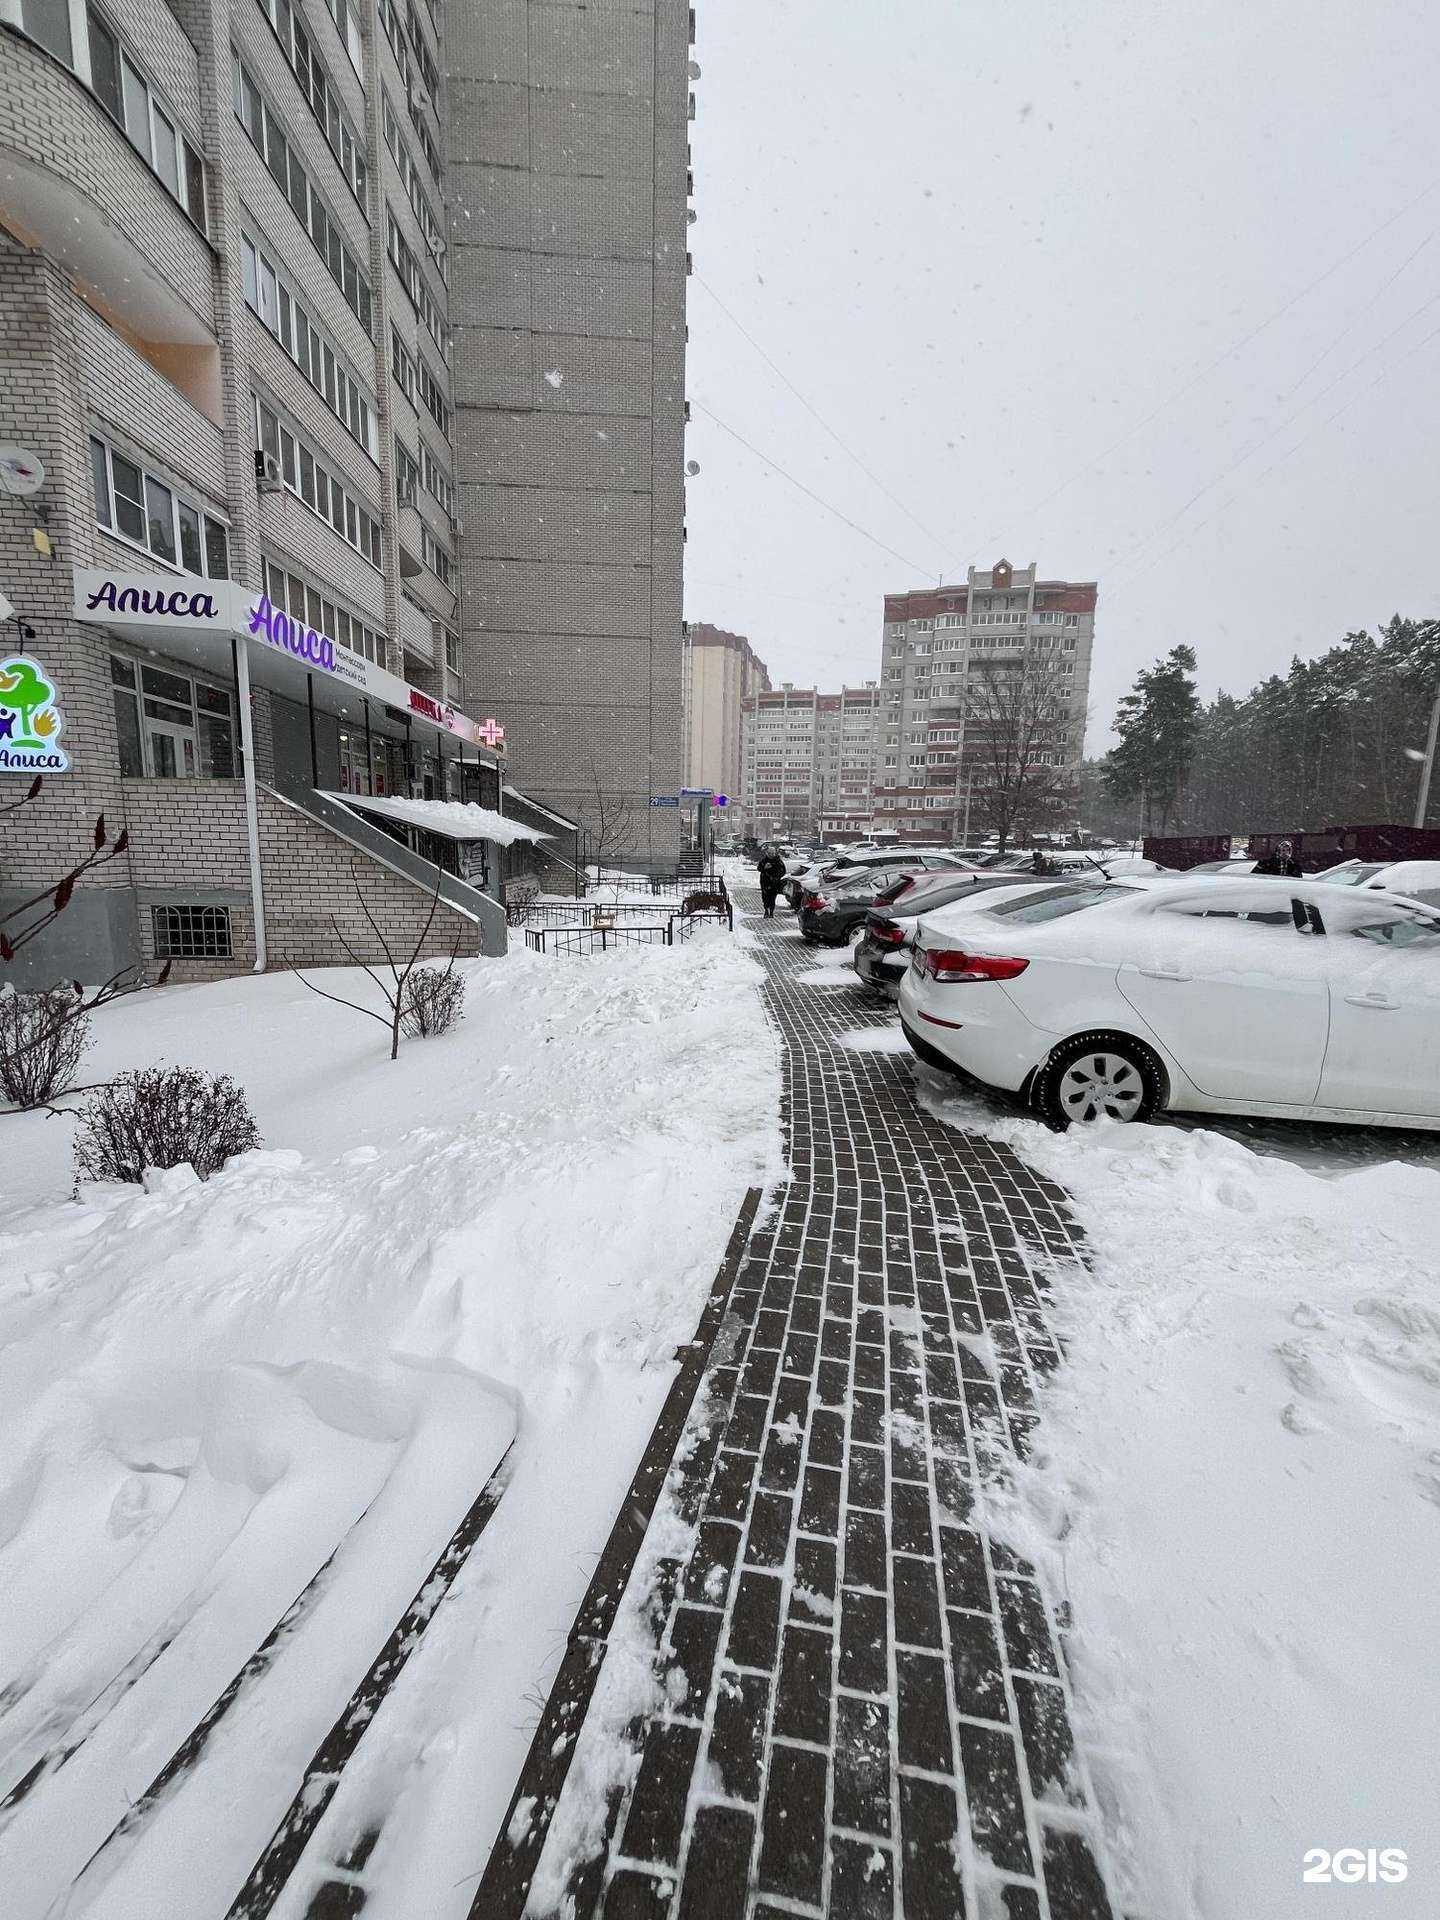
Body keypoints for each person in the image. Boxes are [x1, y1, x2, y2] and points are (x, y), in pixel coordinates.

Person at [757, 846, 787, 918]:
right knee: (765, 898)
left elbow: (783, 871)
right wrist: (764, 867)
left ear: (774, 853)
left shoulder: (778, 861)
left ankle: (771, 912)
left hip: (774, 883)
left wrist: (776, 875)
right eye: (769, 853)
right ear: (767, 853)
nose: (771, 855)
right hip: (765, 882)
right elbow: (759, 868)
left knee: (772, 898)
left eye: (772, 853)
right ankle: (766, 911)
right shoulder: (764, 860)